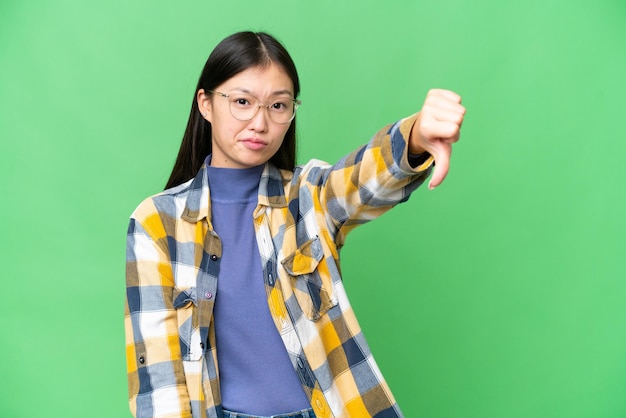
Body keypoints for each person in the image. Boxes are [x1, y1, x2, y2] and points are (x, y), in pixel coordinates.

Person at [124, 31, 465, 418]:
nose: (260, 121)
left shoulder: (308, 196)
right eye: (241, 102)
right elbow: (158, 385)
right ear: (205, 104)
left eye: (278, 105)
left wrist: (416, 135)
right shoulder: (156, 223)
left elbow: (360, 179)